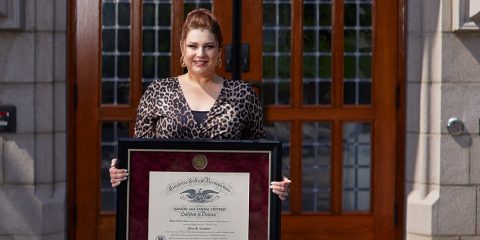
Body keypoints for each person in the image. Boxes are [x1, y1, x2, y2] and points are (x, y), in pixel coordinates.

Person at [109, 8, 291, 200]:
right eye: (193, 46)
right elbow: (140, 157)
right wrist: (121, 171)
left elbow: (259, 159)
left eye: (209, 46)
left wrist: (277, 182)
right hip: (168, 206)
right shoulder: (158, 91)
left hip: (224, 208)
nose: (200, 54)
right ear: (182, 48)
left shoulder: (243, 94)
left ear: (219, 50)